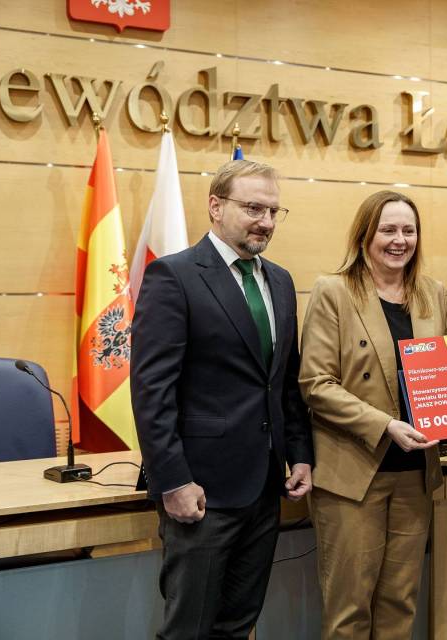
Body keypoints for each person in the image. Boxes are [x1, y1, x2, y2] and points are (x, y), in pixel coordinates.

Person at [131, 159, 314, 640]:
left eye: (273, 211)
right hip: (201, 491)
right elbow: (152, 391)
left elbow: (283, 380)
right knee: (189, 630)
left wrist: (299, 454)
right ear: (215, 206)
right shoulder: (174, 276)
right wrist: (173, 481)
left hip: (265, 487)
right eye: (253, 208)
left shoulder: (280, 281)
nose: (266, 222)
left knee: (238, 625)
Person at [299, 190, 447, 640]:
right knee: (349, 612)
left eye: (408, 230)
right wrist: (384, 425)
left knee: (400, 605)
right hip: (353, 475)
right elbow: (316, 383)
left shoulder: (432, 294)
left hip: (415, 473)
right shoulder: (333, 291)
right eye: (388, 230)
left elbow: (442, 380)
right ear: (365, 235)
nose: (399, 240)